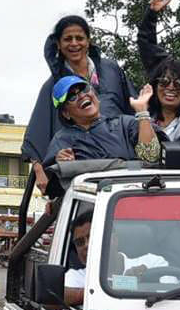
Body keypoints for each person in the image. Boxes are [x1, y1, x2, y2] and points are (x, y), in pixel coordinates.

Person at [22, 15, 138, 185]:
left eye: (79, 38)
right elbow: (37, 133)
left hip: (123, 167)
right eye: (68, 39)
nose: (74, 43)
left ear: (89, 41)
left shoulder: (111, 70)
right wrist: (40, 173)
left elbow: (135, 109)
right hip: (82, 173)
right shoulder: (54, 86)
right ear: (59, 45)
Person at [43, 76, 162, 168]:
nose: (81, 96)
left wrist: (142, 112)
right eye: (72, 97)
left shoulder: (125, 124)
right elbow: (52, 182)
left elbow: (150, 158)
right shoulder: (62, 139)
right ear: (66, 113)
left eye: (84, 89)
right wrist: (62, 163)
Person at [143, 58, 180, 147]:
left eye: (179, 84)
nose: (171, 87)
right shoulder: (144, 119)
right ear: (155, 86)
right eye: (164, 82)